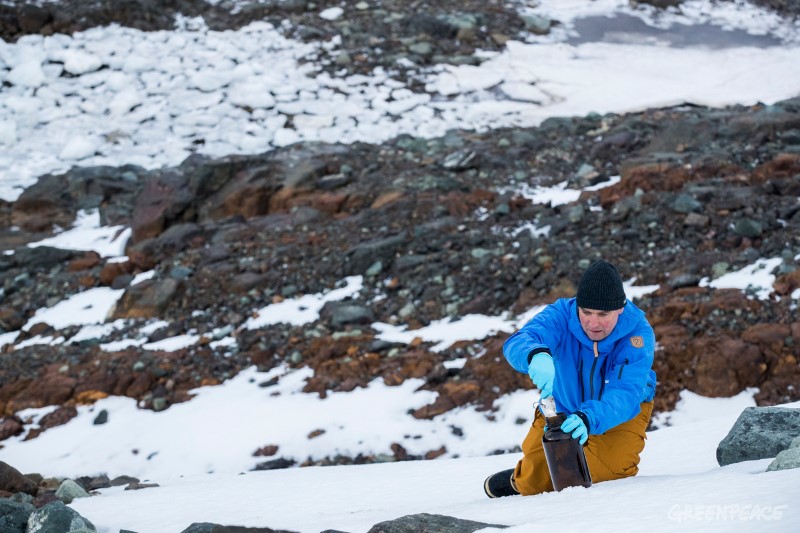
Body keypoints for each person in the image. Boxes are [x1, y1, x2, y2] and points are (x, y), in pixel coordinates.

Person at [484, 259, 657, 497]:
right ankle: (520, 479)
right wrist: (534, 354)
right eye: (586, 312)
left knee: (605, 474)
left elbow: (626, 392)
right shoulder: (561, 315)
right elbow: (521, 339)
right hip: (564, 403)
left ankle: (576, 460)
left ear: (620, 308)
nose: (593, 323)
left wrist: (588, 418)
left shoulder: (637, 333)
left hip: (620, 410)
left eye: (603, 314)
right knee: (532, 485)